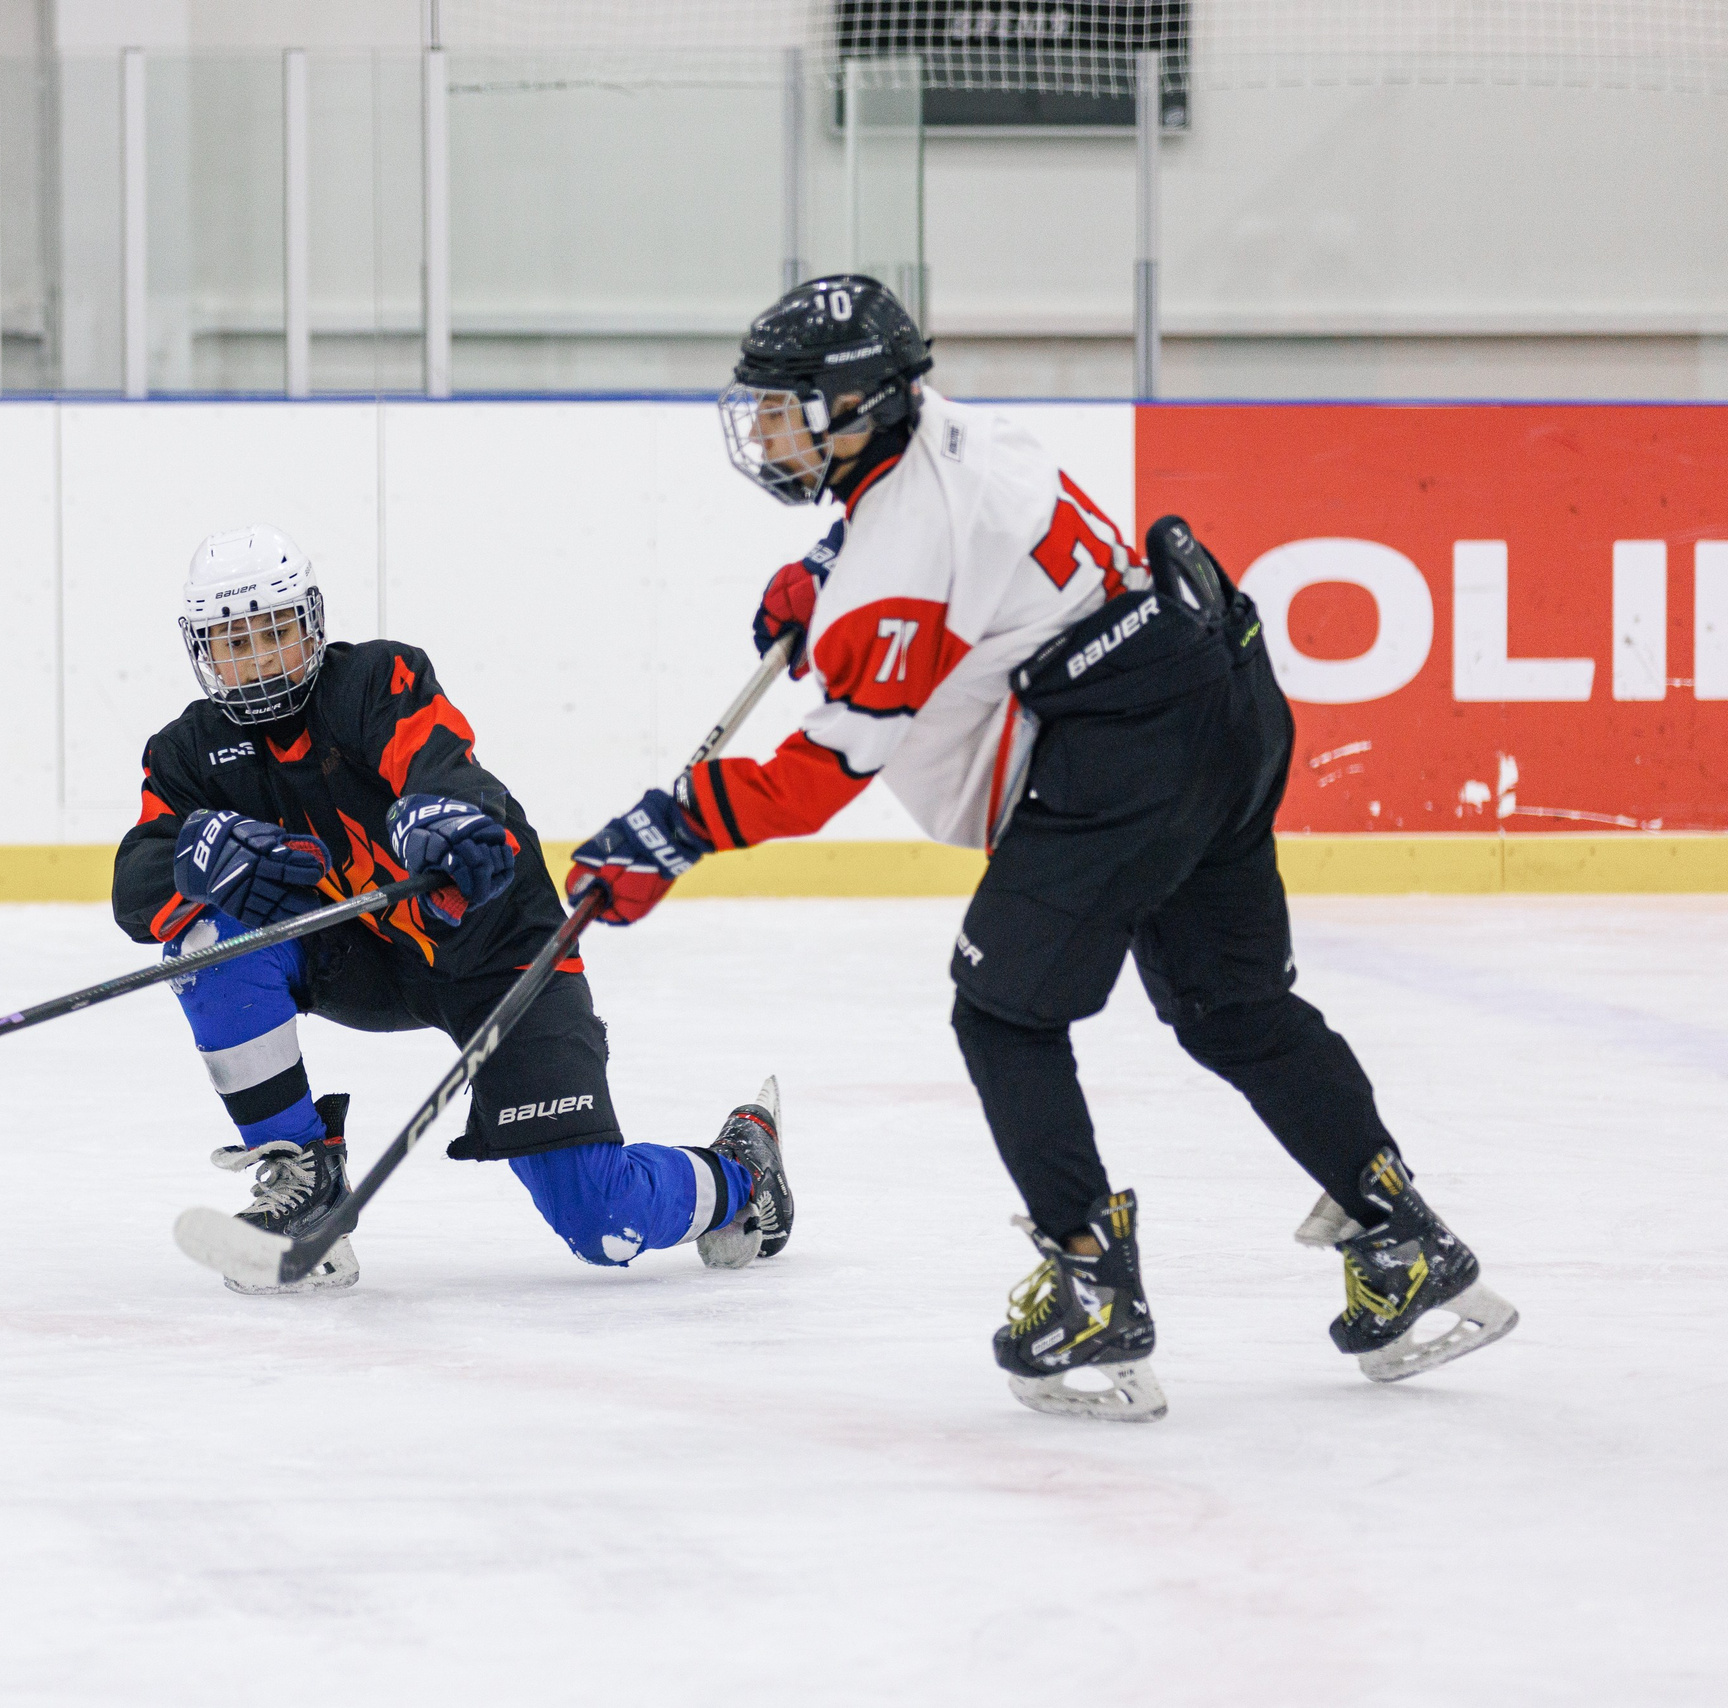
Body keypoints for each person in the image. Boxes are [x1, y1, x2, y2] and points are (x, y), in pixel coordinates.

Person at [567, 276, 1515, 1420]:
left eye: (786, 407)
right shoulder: (958, 430)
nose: (763, 430)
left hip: (1124, 755)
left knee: (1004, 1012)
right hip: (1216, 689)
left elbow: (821, 775)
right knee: (1232, 1007)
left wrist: (671, 833)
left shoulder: (892, 572)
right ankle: (1401, 1237)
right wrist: (823, 570)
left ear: (857, 406)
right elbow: (938, 553)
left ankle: (1090, 1289)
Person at [114, 524, 793, 1294]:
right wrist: (194, 855)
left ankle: (742, 1173)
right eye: (233, 643)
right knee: (205, 938)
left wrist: (440, 820)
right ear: (201, 651)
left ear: (311, 623)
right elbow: (134, 891)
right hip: (360, 960)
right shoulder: (187, 752)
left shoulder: (376, 680)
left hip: (498, 951)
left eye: (273, 634)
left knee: (603, 1222)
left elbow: (445, 768)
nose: (259, 660)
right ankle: (305, 1180)